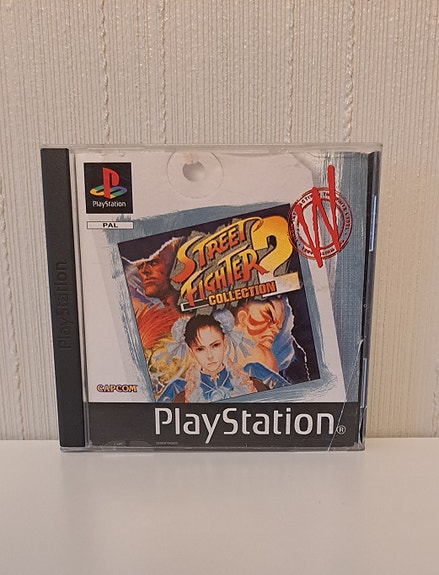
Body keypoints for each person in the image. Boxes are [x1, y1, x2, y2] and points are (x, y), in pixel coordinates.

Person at [159, 313, 257, 403]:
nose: (210, 356)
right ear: (191, 352)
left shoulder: (250, 375)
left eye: (215, 345)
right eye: (200, 349)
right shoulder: (178, 389)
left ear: (225, 344)